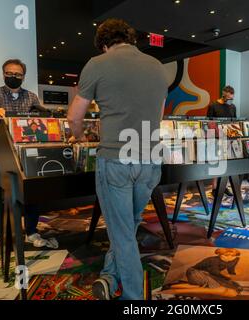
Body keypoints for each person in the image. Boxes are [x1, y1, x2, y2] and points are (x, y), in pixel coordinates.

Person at [67, 18, 169, 300]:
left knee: (122, 232)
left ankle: (134, 298)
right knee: (129, 222)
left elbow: (75, 117)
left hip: (116, 160)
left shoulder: (97, 64)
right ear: (131, 39)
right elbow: (159, 116)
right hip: (150, 160)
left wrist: (79, 137)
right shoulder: (158, 67)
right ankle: (110, 278)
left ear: (104, 44)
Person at [0, 59, 57, 249]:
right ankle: (4, 233)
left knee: (31, 192)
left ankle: (31, 231)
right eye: (10, 73)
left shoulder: (31, 97)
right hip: (2, 151)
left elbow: (41, 115)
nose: (13, 76)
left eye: (18, 74)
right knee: (5, 194)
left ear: (23, 76)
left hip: (26, 151)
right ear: (3, 74)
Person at [207, 86, 238, 197]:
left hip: (228, 138)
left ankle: (224, 186)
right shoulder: (213, 105)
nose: (230, 100)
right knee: (216, 162)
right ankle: (214, 188)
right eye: (228, 97)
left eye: (232, 98)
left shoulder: (233, 107)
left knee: (227, 162)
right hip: (215, 137)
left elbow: (234, 122)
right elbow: (209, 123)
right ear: (223, 94)